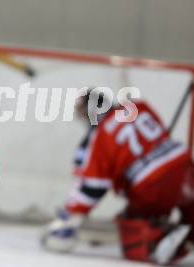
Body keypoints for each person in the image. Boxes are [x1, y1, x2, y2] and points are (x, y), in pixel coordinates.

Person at [41, 88, 194, 265]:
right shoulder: (139, 106)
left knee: (134, 234)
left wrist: (71, 216)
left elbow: (93, 187)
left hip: (151, 184)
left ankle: (163, 239)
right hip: (185, 166)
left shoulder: (101, 136)